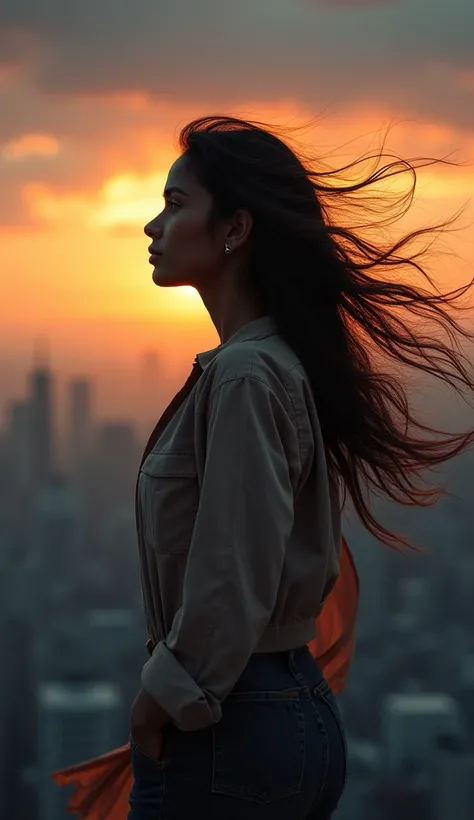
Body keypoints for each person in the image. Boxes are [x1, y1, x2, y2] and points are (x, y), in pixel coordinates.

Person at [53, 116, 473, 820]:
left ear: (235, 229)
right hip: (284, 715)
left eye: (176, 204)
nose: (152, 225)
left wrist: (159, 703)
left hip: (230, 729)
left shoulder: (247, 374)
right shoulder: (275, 362)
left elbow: (232, 569)